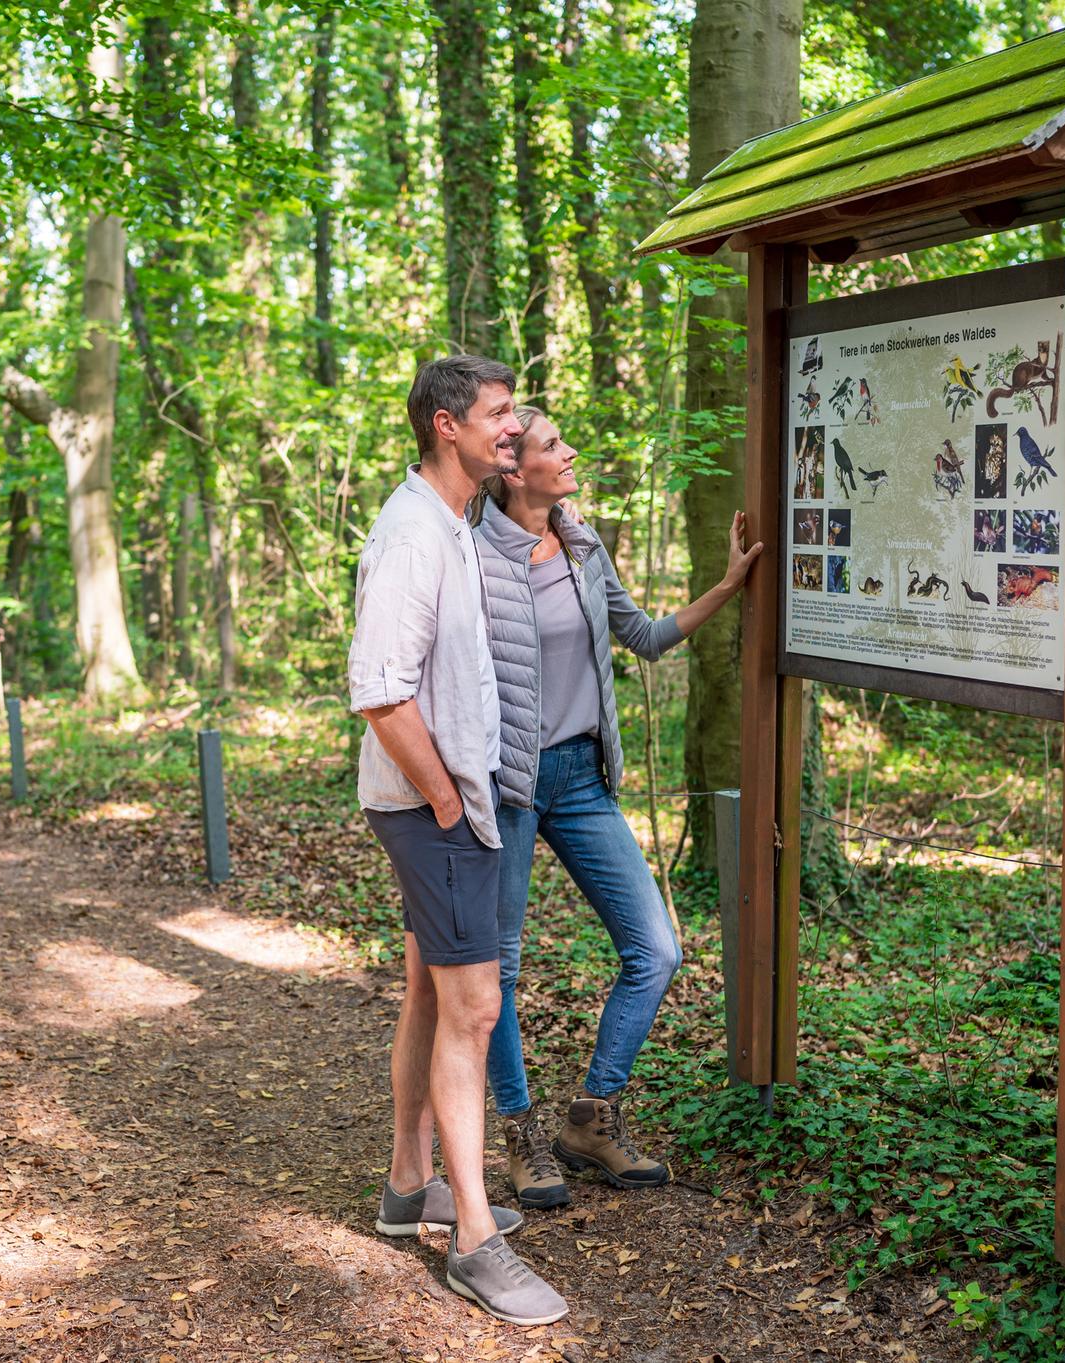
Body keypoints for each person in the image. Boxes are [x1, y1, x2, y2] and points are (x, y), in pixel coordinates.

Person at [470, 405, 762, 1210]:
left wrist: (728, 586)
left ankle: (592, 1118)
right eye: (552, 445)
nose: (570, 453)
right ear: (509, 468)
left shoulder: (583, 542)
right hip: (508, 785)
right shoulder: (474, 555)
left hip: (583, 778)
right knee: (500, 967)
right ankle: (521, 1132)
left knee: (657, 948)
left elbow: (640, 634)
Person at [348, 356, 568, 1327]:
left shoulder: (454, 523)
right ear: (446, 426)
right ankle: (473, 1239)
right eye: (496, 412)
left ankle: (410, 1188)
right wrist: (444, 801)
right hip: (435, 812)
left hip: (449, 804)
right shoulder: (409, 536)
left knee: (433, 1000)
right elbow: (380, 689)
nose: (512, 426)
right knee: (473, 1009)